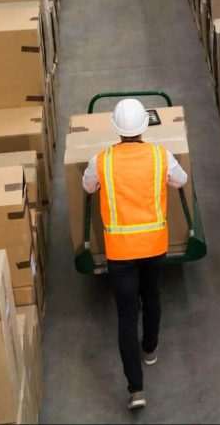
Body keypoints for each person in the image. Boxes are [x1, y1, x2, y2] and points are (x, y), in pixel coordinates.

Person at [82, 98, 188, 411]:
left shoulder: (101, 160)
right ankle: (150, 350)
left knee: (127, 315)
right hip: (154, 245)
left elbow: (88, 188)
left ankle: (136, 389)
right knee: (151, 295)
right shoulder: (160, 155)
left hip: (120, 251)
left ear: (116, 129)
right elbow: (180, 180)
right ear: (145, 126)